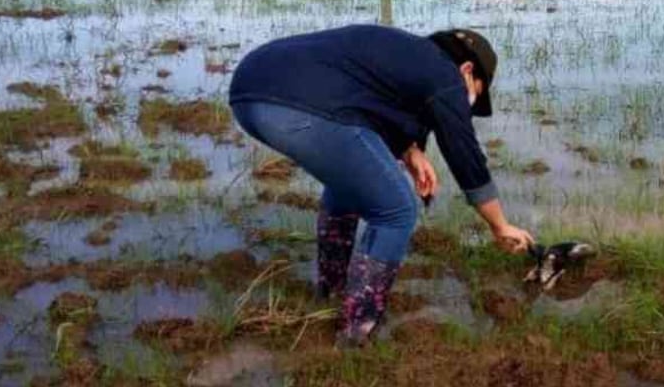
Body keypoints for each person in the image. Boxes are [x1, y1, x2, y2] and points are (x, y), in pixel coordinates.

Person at [228, 25, 534, 346]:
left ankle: (331, 291)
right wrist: (500, 226)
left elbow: (373, 108)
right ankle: (356, 332)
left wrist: (409, 151)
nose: (466, 103)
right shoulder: (446, 73)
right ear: (467, 69)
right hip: (294, 105)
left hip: (249, 93)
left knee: (349, 184)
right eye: (474, 92)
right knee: (397, 209)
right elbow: (464, 154)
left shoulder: (409, 55)